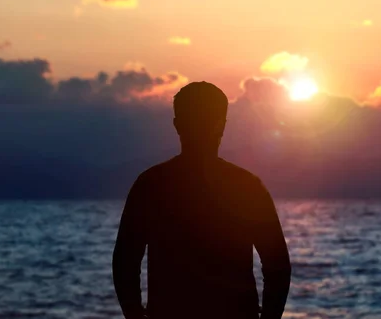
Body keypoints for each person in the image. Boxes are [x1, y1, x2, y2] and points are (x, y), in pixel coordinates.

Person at [112, 81, 291, 319]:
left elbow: (125, 262)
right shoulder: (247, 187)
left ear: (177, 125)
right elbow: (277, 265)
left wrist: (135, 315)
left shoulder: (150, 184)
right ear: (222, 126)